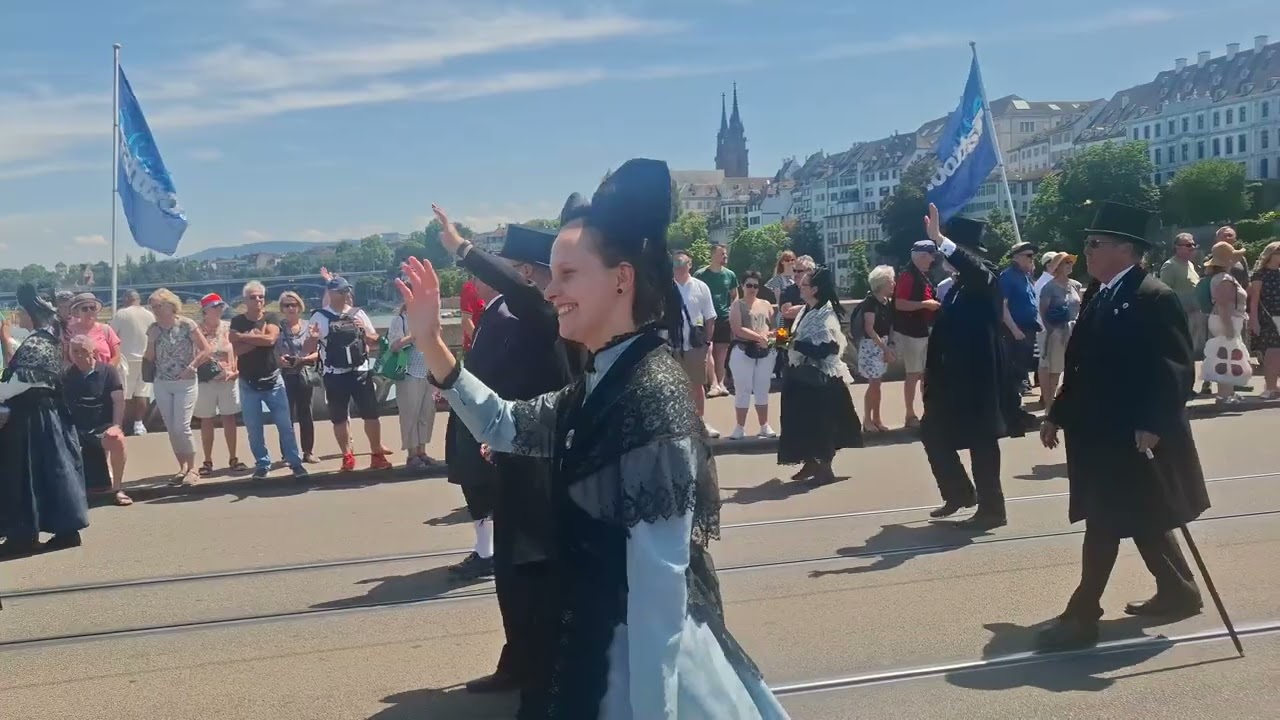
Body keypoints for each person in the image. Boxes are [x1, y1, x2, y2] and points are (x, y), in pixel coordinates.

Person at [399, 158, 787, 719]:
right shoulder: (606, 376)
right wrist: (432, 342)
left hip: (636, 672)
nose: (550, 290)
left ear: (621, 279)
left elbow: (660, 601)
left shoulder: (651, 398)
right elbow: (505, 424)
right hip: (596, 645)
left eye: (567, 274)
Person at [1038, 201, 1210, 651]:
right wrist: (1057, 411)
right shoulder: (1101, 293)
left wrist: (1154, 422)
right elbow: (1081, 364)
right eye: (1088, 243)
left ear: (1127, 250)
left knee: (1105, 521)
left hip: (1131, 434)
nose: (1087, 251)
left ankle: (1082, 616)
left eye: (1095, 244)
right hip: (1097, 430)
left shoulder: (1153, 296)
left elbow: (1174, 368)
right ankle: (1179, 590)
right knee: (1142, 513)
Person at [430, 209, 578, 696]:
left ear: (530, 274)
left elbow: (516, 293)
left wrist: (463, 249)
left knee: (529, 564)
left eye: (512, 264)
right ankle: (522, 657)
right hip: (502, 443)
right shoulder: (497, 311)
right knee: (512, 567)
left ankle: (539, 662)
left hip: (537, 454)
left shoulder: (542, 311)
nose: (503, 270)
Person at [920, 207, 1027, 528]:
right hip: (952, 376)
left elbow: (979, 272)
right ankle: (959, 493)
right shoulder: (957, 286)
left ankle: (993, 509)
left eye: (948, 253)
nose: (944, 260)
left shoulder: (985, 278)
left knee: (982, 441)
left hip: (979, 376)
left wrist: (941, 239)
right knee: (932, 431)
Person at [0, 285, 89, 558]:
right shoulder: (45, 338)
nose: (17, 314)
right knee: (51, 471)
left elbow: (19, 381)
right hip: (43, 414)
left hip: (30, 415)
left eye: (21, 309)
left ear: (32, 313)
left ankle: (23, 535)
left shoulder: (38, 340)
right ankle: (64, 531)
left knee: (25, 475)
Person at [778, 266, 862, 486]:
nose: (800, 287)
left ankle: (825, 467)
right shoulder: (807, 310)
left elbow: (828, 349)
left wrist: (795, 344)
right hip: (803, 376)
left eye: (804, 284)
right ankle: (811, 462)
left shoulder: (826, 314)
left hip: (822, 378)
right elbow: (798, 340)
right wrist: (781, 340)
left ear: (814, 289)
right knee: (802, 421)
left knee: (822, 424)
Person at [304, 276, 390, 472]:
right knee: (339, 418)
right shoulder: (319, 317)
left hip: (360, 371)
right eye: (341, 291)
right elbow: (308, 347)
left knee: (371, 415)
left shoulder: (358, 314)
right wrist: (313, 337)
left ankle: (377, 454)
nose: (345, 295)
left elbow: (374, 340)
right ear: (330, 293)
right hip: (334, 373)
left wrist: (365, 333)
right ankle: (347, 455)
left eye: (346, 291)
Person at [230, 281, 308, 480]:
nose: (258, 300)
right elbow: (236, 349)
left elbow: (271, 340)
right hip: (248, 383)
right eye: (253, 297)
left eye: (261, 297)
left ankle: (295, 462)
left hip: (273, 380)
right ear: (245, 300)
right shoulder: (237, 321)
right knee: (254, 429)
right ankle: (262, 464)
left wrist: (245, 337)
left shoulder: (272, 317)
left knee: (285, 425)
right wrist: (256, 337)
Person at [145, 288, 212, 487]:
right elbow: (149, 357)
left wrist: (192, 367)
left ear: (170, 305)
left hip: (186, 381)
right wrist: (152, 339)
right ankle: (182, 466)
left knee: (182, 426)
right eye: (153, 307)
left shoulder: (186, 325)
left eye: (158, 306)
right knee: (171, 428)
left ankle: (192, 468)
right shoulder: (153, 328)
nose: (155, 310)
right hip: (162, 382)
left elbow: (206, 349)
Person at [64, 334, 132, 506]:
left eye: (83, 351)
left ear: (93, 352)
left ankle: (117, 489)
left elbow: (118, 401)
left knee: (118, 441)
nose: (79, 355)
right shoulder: (66, 375)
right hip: (76, 429)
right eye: (75, 351)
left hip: (102, 426)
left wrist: (117, 426)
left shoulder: (108, 371)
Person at [194, 294, 247, 476]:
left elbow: (238, 351)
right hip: (205, 381)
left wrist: (237, 371)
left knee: (229, 418)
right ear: (205, 310)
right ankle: (207, 461)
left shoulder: (229, 327)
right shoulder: (196, 330)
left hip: (228, 379)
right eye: (214, 306)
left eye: (220, 306)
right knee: (206, 419)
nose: (218, 309)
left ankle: (233, 457)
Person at [893, 240, 941, 428]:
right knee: (913, 374)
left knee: (923, 374)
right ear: (922, 256)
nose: (932, 260)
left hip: (922, 329)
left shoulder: (920, 275)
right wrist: (925, 304)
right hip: (912, 331)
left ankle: (927, 411)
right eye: (931, 256)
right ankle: (910, 414)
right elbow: (899, 303)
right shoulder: (908, 276)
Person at [673, 249, 720, 437]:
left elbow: (710, 317)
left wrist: (707, 342)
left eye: (682, 264)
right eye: (675, 264)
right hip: (672, 345)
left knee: (697, 385)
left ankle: (699, 422)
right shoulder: (665, 288)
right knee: (674, 386)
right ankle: (677, 425)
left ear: (690, 265)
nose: (678, 268)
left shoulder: (701, 287)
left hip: (695, 345)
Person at [387, 296, 438, 469]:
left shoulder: (427, 319)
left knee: (426, 413)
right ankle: (411, 454)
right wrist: (412, 337)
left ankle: (422, 451)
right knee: (410, 414)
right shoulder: (399, 320)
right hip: (408, 372)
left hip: (426, 372)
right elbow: (393, 346)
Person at [726, 270, 776, 440]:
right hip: (742, 350)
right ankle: (740, 427)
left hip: (765, 351)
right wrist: (758, 337)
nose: (752, 288)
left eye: (755, 285)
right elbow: (737, 329)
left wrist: (771, 337)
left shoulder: (766, 304)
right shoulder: (737, 305)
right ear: (742, 285)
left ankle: (764, 425)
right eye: (749, 285)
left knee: (762, 388)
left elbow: (774, 327)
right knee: (743, 389)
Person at [274, 291, 320, 463]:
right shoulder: (277, 329)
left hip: (304, 374)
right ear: (282, 309)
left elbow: (318, 353)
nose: (291, 308)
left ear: (300, 306)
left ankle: (308, 452)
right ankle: (288, 453)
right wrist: (280, 361)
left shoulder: (310, 326)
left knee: (306, 414)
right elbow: (272, 354)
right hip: (285, 376)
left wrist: (303, 359)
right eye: (287, 305)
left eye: (294, 304)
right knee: (285, 417)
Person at [1203, 242, 1250, 404]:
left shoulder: (1221, 278)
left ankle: (1227, 392)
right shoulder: (1224, 279)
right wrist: (1229, 326)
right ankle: (1223, 394)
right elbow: (1224, 305)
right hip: (1226, 320)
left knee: (1227, 355)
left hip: (1224, 319)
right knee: (1226, 356)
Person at [1037, 253, 1083, 416]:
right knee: (1054, 371)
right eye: (1066, 262)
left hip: (1074, 331)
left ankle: (1071, 405)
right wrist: (1052, 331)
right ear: (1058, 266)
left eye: (1071, 262)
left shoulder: (1076, 285)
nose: (1070, 265)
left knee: (1074, 370)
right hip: (1057, 331)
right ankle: (1050, 409)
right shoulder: (1049, 287)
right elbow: (1043, 311)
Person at [855, 265, 896, 433]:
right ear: (882, 283)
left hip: (882, 343)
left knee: (877, 384)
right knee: (873, 384)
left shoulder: (887, 302)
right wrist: (885, 349)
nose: (893, 284)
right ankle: (867, 420)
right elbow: (869, 328)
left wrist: (889, 345)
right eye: (890, 281)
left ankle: (877, 418)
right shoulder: (871, 303)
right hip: (871, 346)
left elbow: (891, 325)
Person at [111, 289, 156, 435]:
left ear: (126, 299)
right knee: (142, 393)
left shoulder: (121, 314)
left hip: (126, 358)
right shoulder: (150, 315)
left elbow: (112, 335)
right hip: (145, 358)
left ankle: (124, 424)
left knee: (125, 395)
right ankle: (139, 424)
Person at [999, 241, 1042, 394]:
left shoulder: (1026, 276)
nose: (1032, 259)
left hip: (1028, 329)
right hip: (1015, 331)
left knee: (1023, 366)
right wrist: (1014, 330)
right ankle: (1013, 408)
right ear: (1016, 257)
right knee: (1014, 369)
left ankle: (1017, 407)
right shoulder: (1007, 276)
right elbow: (1002, 306)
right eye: (1029, 255)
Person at [696, 243, 738, 398]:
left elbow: (735, 296)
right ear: (713, 255)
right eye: (722, 254)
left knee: (722, 352)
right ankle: (712, 383)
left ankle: (721, 383)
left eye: (726, 254)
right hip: (706, 318)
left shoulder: (730, 275)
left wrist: (733, 313)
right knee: (708, 350)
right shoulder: (701, 274)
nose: (725, 257)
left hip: (724, 317)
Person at [1160, 233, 1205, 358]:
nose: (1192, 247)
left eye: (1193, 244)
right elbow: (1164, 292)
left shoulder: (1190, 264)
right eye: (1188, 245)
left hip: (1195, 314)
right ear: (1177, 247)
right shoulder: (1170, 265)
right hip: (1181, 316)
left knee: (1193, 352)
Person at [1248, 241, 1280, 399]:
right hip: (1268, 318)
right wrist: (1254, 321)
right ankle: (1270, 387)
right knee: (1272, 353)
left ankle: (1274, 387)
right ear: (1271, 254)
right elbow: (1254, 300)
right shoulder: (1260, 274)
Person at [64, 293, 122, 373]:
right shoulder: (69, 331)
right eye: (85, 309)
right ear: (77, 312)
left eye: (92, 308)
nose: (89, 311)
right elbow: (65, 357)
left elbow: (117, 356)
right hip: (78, 378)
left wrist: (106, 373)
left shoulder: (106, 329)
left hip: (104, 377)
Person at [459, 277, 486, 352]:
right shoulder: (469, 288)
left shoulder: (490, 286)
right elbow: (466, 321)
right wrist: (481, 344)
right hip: (476, 348)